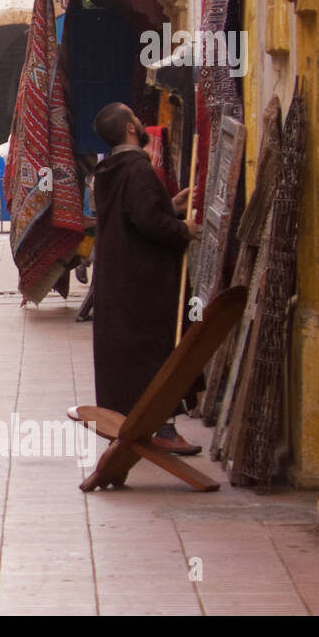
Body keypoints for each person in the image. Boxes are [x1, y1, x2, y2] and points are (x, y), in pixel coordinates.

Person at [90, 103, 202, 454]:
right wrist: (182, 227)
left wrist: (169, 205)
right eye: (133, 116)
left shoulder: (110, 169)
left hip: (119, 278)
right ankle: (161, 430)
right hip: (141, 281)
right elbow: (147, 222)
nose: (139, 119)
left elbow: (134, 213)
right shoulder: (137, 168)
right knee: (151, 353)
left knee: (129, 357)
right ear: (129, 129)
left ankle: (133, 424)